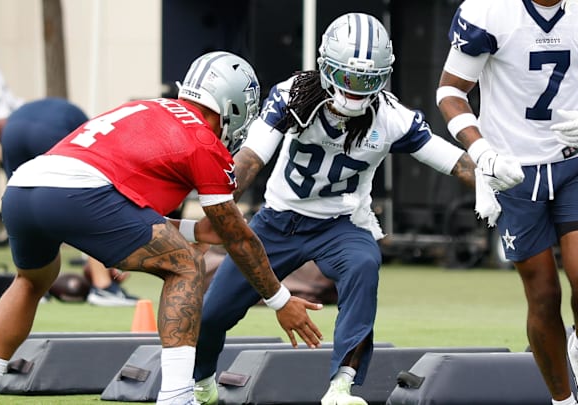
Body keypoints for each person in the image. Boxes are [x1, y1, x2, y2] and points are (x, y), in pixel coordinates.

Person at [0, 50, 323, 405]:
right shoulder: (202, 140)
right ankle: (177, 396)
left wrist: (195, 232)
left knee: (30, 281)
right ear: (233, 105)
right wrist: (280, 299)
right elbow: (238, 238)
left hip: (25, 187)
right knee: (184, 264)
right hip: (81, 192)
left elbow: (127, 209)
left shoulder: (149, 107)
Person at [192, 14, 478, 405]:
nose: (357, 90)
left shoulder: (391, 117)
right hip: (279, 221)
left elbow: (453, 161)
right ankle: (201, 381)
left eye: (368, 80)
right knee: (213, 312)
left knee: (363, 263)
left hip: (340, 223)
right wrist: (218, 211)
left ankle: (342, 385)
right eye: (348, 77)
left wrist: (496, 183)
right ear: (326, 67)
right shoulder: (294, 95)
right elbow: (249, 161)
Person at [436, 1, 578, 403]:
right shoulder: (489, 10)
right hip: (513, 169)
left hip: (573, 162)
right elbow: (450, 91)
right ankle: (563, 400)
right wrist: (481, 153)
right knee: (544, 294)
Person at [0, 97, 139, 306]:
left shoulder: (11, 123)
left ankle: (33, 287)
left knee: (21, 202)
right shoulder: (87, 125)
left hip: (12, 134)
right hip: (49, 132)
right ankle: (103, 287)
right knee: (89, 205)